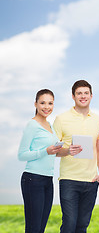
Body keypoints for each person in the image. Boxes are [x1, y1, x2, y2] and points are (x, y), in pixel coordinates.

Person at [53, 80, 99, 233]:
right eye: (79, 93)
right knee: (69, 224)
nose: (83, 96)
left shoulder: (98, 120)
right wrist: (68, 151)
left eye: (86, 93)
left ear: (91, 95)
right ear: (73, 96)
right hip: (69, 179)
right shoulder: (61, 119)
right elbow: (54, 150)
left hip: (91, 180)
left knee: (82, 225)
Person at [18, 89, 62, 233]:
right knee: (33, 228)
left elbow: (53, 152)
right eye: (42, 103)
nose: (46, 107)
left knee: (41, 228)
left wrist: (69, 150)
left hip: (47, 180)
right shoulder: (32, 125)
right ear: (36, 104)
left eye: (50, 103)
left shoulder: (50, 126)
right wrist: (45, 151)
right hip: (33, 179)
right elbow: (22, 154)